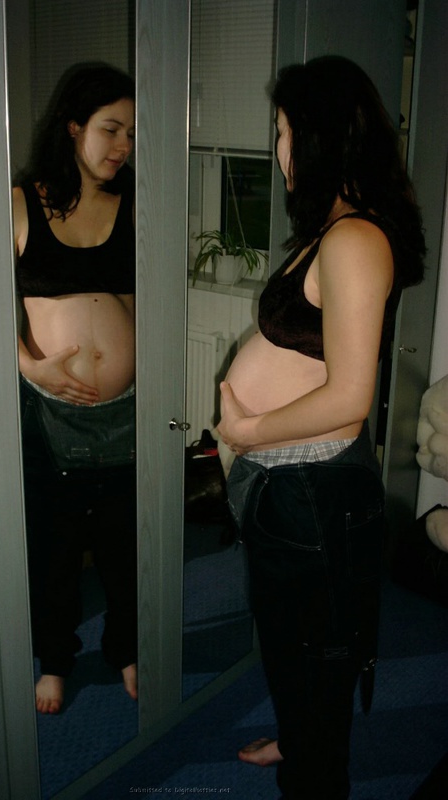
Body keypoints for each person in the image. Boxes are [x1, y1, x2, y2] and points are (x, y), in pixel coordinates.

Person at [217, 55, 425, 799]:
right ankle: (298, 733)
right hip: (292, 489)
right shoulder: (329, 231)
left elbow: (349, 397)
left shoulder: (354, 241)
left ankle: (312, 766)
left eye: (281, 131)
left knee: (317, 654)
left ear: (318, 137)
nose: (277, 149)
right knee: (293, 644)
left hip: (311, 495)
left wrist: (248, 430)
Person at [13, 63, 137, 714]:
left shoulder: (134, 202)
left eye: (131, 134)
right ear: (72, 127)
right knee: (55, 547)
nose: (123, 145)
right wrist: (29, 366)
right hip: (49, 412)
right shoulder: (19, 203)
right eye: (111, 129)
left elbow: (141, 303)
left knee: (125, 544)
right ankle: (55, 660)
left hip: (127, 411)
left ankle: (127, 648)